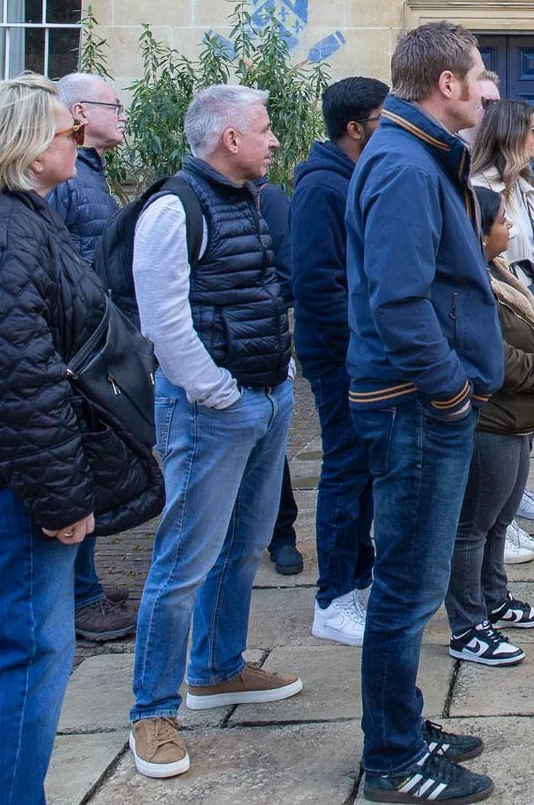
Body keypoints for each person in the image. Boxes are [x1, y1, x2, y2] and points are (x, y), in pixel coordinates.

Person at [0, 74, 161, 804]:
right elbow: (16, 387)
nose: (77, 141)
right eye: (66, 132)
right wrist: (58, 499)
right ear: (26, 147)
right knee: (22, 660)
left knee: (1, 656)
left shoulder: (10, 222)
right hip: (8, 492)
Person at [128, 84, 302, 779]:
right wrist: (217, 391)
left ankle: (219, 668)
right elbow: (163, 320)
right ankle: (152, 712)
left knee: (243, 546)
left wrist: (278, 373)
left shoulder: (248, 197)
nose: (273, 139)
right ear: (229, 139)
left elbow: (261, 290)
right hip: (212, 409)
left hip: (266, 395)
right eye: (263, 129)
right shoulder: (175, 206)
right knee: (181, 564)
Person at [348, 21, 502, 803]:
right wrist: (449, 392)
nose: (490, 87)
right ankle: (391, 759)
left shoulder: (418, 152)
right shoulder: (407, 166)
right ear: (447, 84)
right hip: (414, 409)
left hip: (419, 405)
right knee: (407, 588)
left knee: (412, 580)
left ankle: (400, 722)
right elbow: (399, 303)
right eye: (480, 75)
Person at [293, 75, 390, 646]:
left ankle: (359, 573)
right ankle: (333, 597)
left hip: (361, 354)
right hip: (340, 359)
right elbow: (317, 285)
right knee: (345, 471)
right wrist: (358, 349)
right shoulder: (322, 188)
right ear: (355, 128)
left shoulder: (352, 177)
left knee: (363, 472)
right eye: (382, 119)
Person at [46, 72, 139, 642]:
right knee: (78, 468)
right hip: (77, 352)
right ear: (79, 112)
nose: (124, 114)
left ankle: (88, 586)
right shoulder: (70, 179)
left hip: (91, 346)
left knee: (90, 466)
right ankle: (80, 598)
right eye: (115, 105)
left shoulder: (89, 175)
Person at [446, 186, 534, 667]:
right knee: (473, 525)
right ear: (479, 231)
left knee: (499, 519)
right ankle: (467, 625)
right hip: (492, 417)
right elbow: (490, 352)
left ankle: (495, 598)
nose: (510, 227)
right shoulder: (468, 284)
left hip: (518, 416)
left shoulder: (499, 271)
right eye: (501, 221)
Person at [470, 98, 534, 557]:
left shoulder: (526, 187)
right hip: (502, 318)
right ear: (509, 135)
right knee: (503, 421)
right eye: (533, 128)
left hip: (533, 317)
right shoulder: (479, 190)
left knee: (527, 420)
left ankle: (508, 515)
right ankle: (495, 525)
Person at [257, 174, 304, 578]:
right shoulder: (177, 199)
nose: (273, 142)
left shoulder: (268, 198)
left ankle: (281, 532)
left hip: (261, 349)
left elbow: (291, 276)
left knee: (270, 449)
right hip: (212, 359)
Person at [458, 70, 500, 147]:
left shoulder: (506, 148)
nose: (495, 110)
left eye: (497, 103)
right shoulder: (445, 148)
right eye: (487, 103)